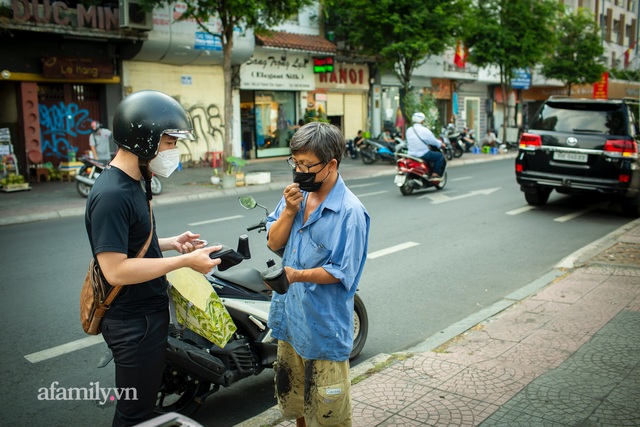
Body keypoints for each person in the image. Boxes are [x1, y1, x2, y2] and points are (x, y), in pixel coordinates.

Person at [84, 90, 223, 427]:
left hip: (145, 315)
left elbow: (126, 246)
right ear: (142, 139)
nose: (173, 151)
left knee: (141, 407)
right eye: (169, 142)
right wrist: (185, 262)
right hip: (133, 323)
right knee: (135, 414)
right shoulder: (113, 194)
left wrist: (172, 243)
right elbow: (115, 269)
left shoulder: (134, 181)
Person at [266, 121, 370, 427]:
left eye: (307, 165)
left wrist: (297, 275)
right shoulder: (295, 196)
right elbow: (273, 241)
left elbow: (342, 272)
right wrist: (287, 212)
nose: (299, 172)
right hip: (291, 322)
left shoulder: (350, 213)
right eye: (295, 163)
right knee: (298, 406)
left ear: (332, 164)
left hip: (323, 330)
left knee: (327, 417)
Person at [406, 112, 446, 180]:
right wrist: (441, 144)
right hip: (422, 154)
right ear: (422, 121)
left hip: (411, 154)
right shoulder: (424, 130)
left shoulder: (409, 130)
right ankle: (435, 174)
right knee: (440, 156)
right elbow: (433, 141)